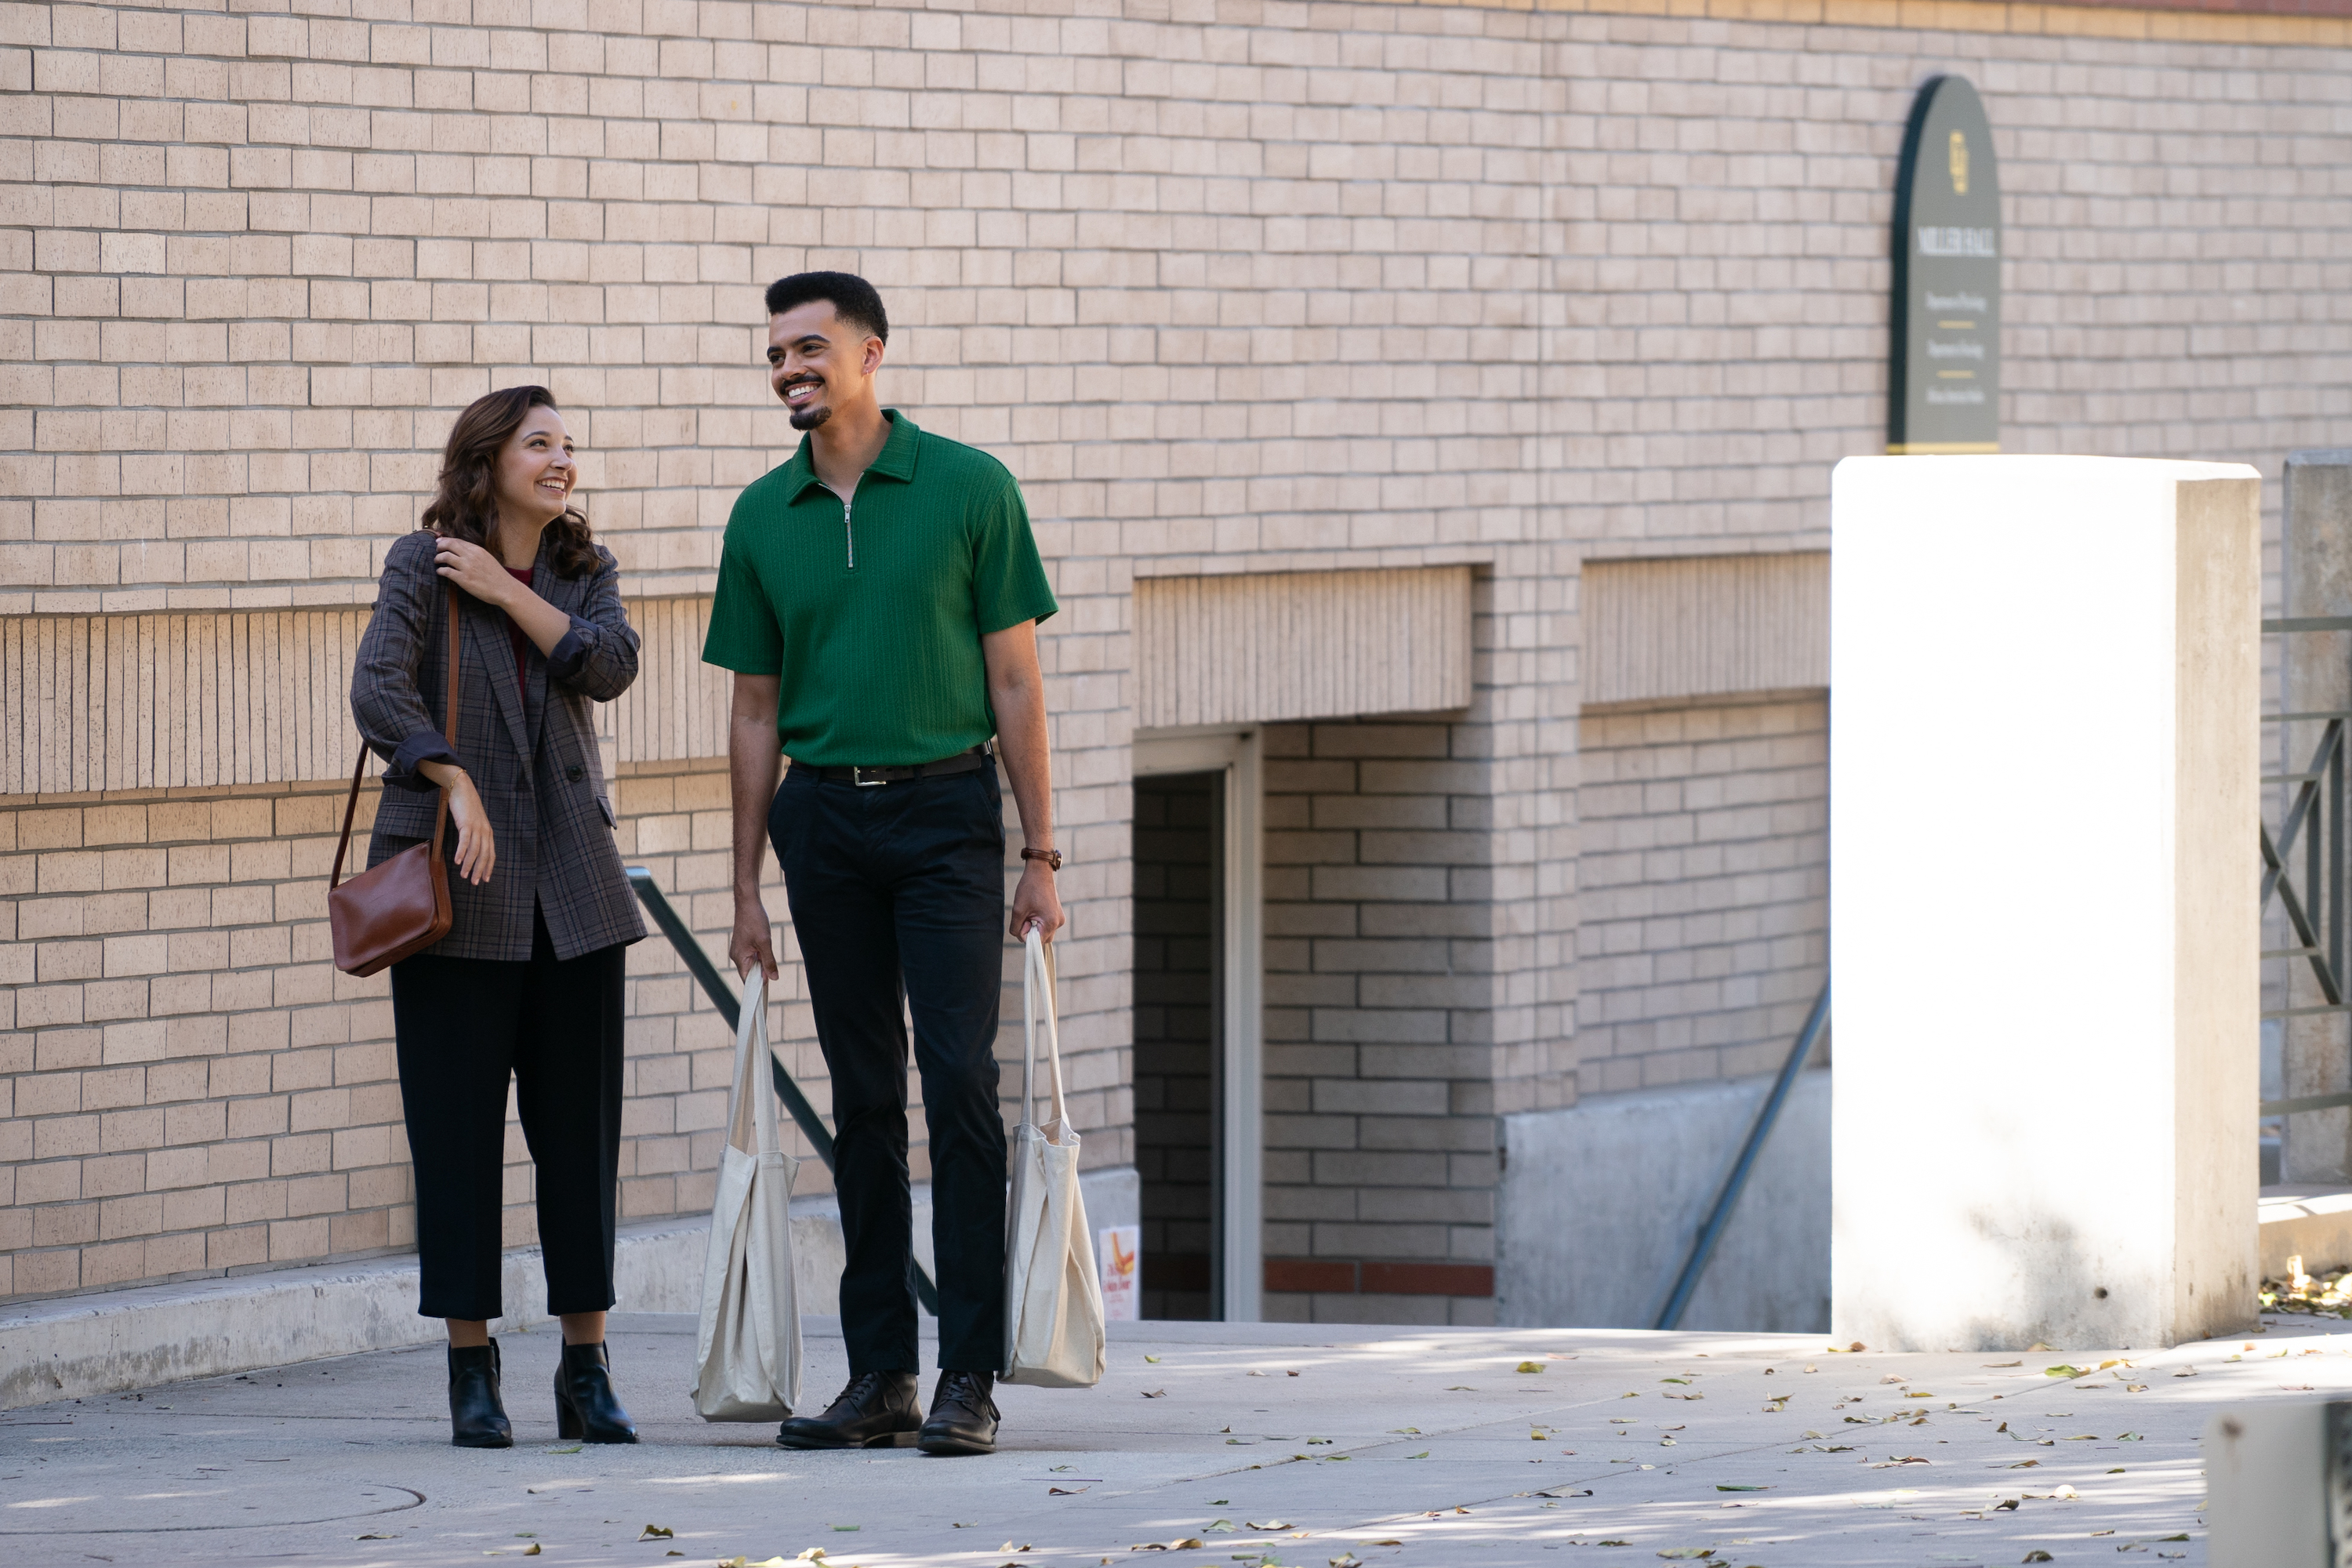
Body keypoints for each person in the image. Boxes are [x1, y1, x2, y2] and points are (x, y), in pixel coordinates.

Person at [704, 272, 1064, 1457]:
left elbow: (1015, 680)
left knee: (959, 1083)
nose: (788, 371)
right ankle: (881, 1376)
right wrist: (746, 884)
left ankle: (969, 1373)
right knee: (861, 1096)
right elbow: (755, 709)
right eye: (775, 355)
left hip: (949, 812)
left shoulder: (970, 487)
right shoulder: (763, 515)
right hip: (823, 823)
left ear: (869, 354)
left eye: (808, 349)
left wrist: (1040, 853)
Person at [351, 386, 648, 1449]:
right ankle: (470, 1367)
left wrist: (508, 594)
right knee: (456, 1137)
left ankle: (586, 1368)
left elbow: (609, 665)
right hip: (456, 886)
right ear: (488, 459)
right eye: (539, 444)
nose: (562, 460)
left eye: (568, 444)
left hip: (573, 891)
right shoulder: (421, 565)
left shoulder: (583, 569)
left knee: (580, 1140)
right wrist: (453, 778)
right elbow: (378, 690)